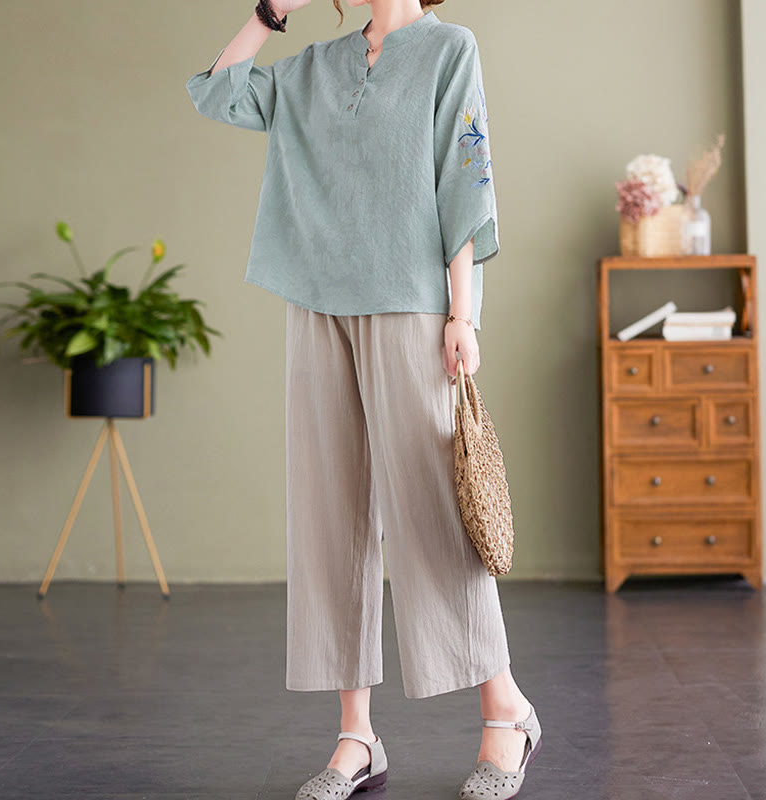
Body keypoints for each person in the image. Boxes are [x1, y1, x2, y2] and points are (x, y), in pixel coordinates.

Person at [185, 2, 541, 798]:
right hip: (317, 304)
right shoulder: (316, 67)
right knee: (330, 516)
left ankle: (506, 710)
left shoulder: (449, 49)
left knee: (434, 510)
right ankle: (357, 738)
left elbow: (464, 173)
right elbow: (217, 92)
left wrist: (462, 314)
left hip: (412, 304)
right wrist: (272, 12)